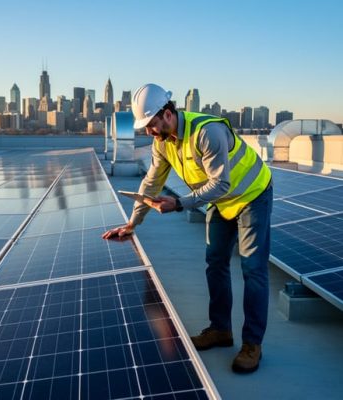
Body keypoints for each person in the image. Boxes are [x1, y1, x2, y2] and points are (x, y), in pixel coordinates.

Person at [102, 83, 272, 373]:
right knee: (215, 262)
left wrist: (180, 204)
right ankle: (220, 330)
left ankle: (252, 344)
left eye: (152, 125)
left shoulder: (207, 132)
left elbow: (221, 183)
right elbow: (151, 184)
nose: (149, 132)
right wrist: (133, 223)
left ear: (168, 114)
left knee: (253, 269)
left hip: (251, 195)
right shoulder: (162, 143)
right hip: (221, 203)